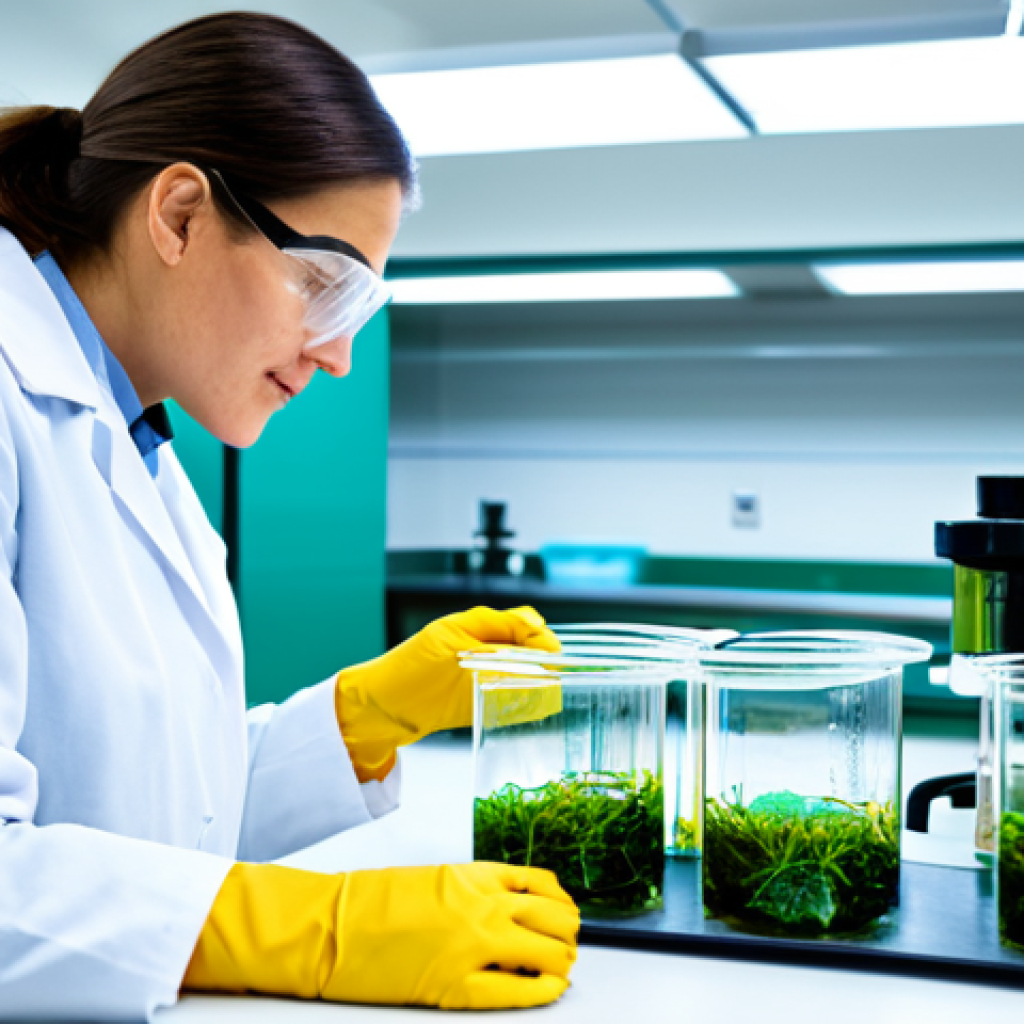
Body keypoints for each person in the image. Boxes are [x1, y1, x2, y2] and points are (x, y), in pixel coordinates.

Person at [0, 13, 578, 1021]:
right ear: (178, 214)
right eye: (321, 283)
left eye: (356, 309)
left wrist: (360, 719)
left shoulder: (138, 447)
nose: (337, 353)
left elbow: (170, 817)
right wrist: (313, 927)